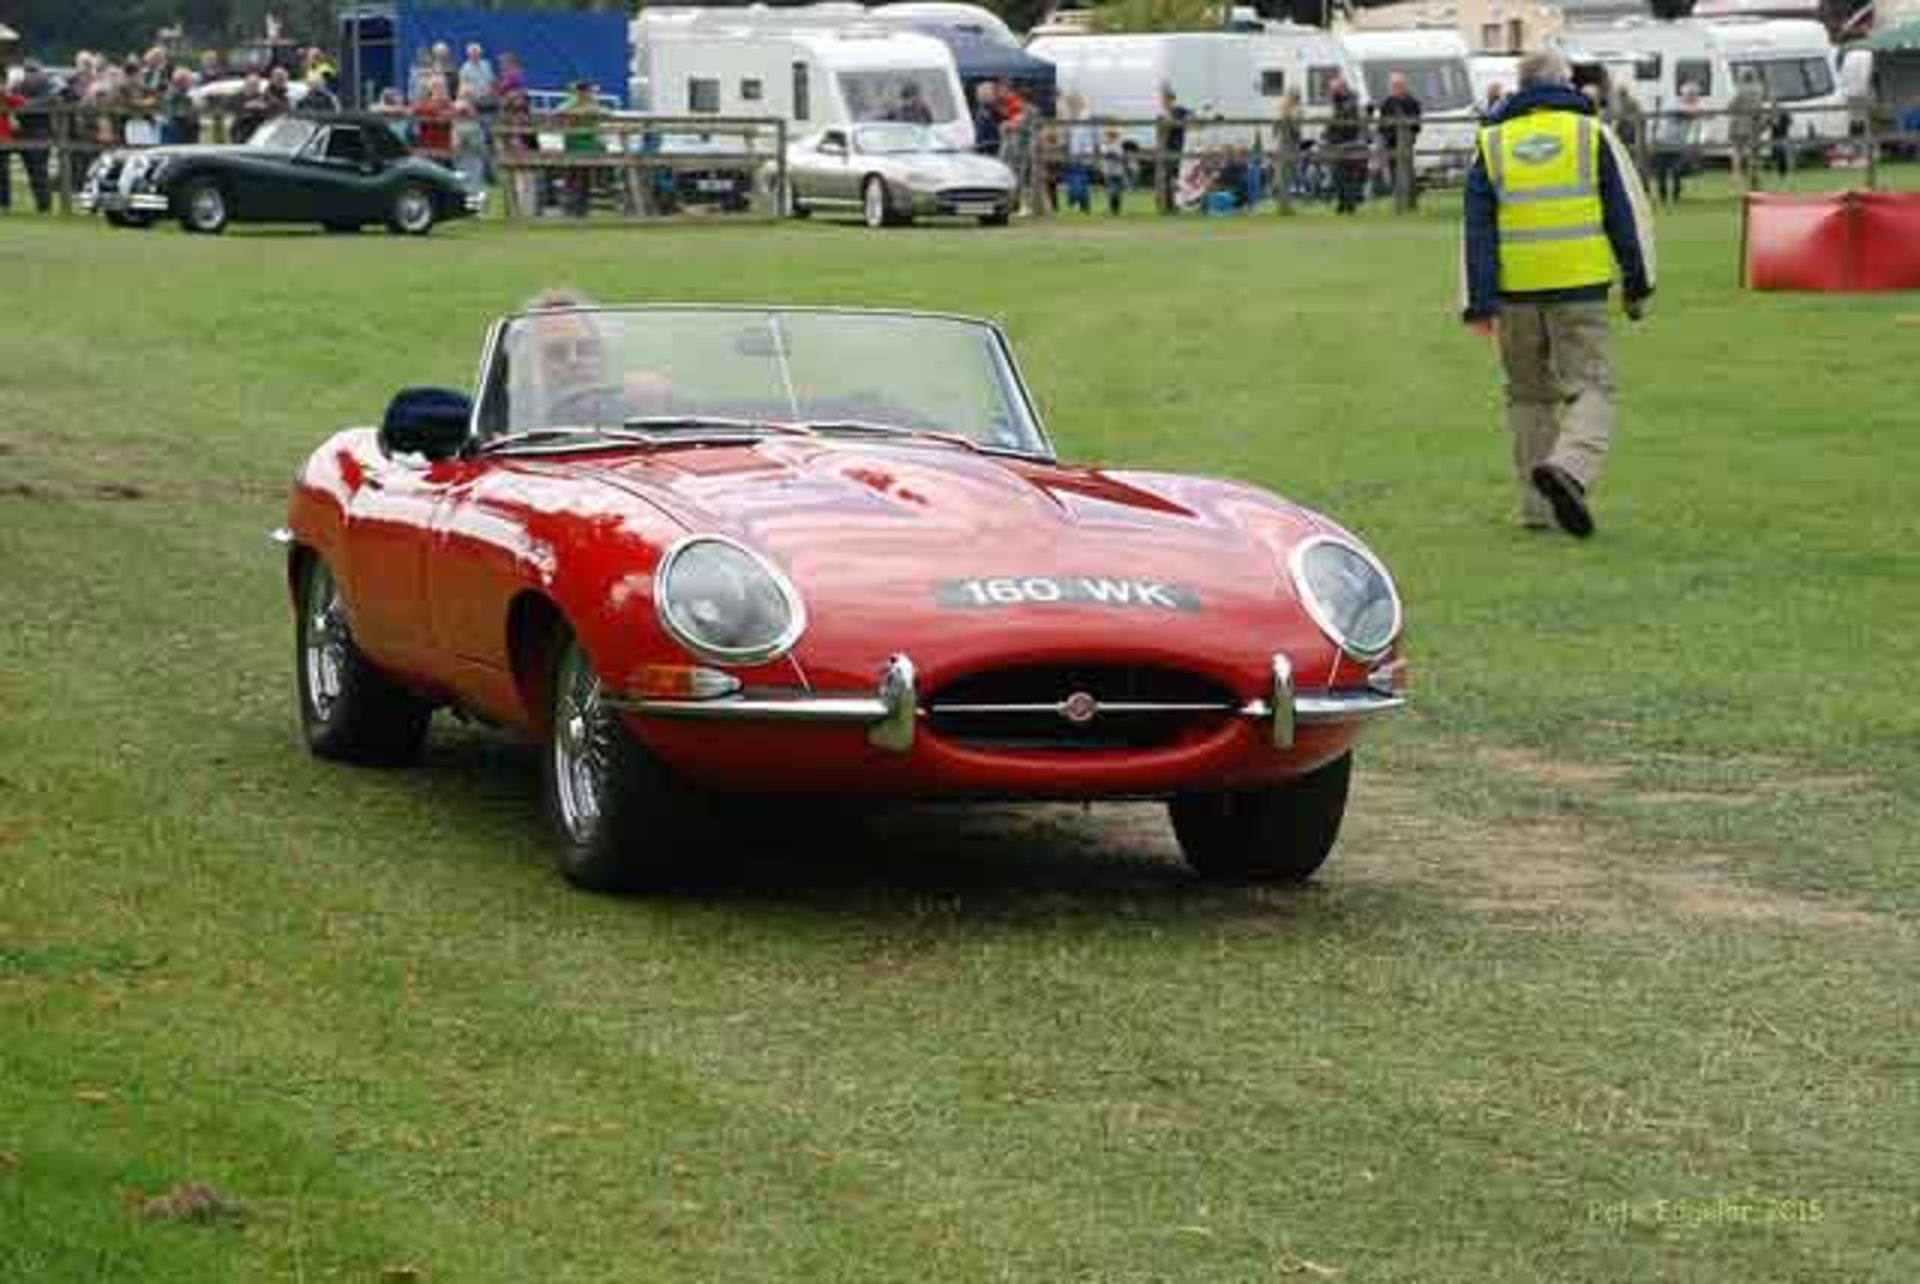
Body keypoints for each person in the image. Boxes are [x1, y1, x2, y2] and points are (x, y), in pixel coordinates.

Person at [1462, 49, 1655, 538]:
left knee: (1527, 397)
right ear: (1564, 83)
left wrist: (1480, 303)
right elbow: (1623, 215)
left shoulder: (1492, 143)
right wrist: (1636, 280)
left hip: (1515, 294)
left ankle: (1537, 509)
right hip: (1580, 286)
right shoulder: (1591, 136)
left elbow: (1477, 233)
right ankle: (1569, 469)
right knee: (1592, 387)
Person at [559, 79, 607, 218]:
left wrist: (587, 111)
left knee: (581, 175)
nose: (590, 94)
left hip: (588, 146)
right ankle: (574, 207)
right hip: (575, 145)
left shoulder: (592, 105)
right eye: (588, 91)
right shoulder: (571, 104)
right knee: (576, 175)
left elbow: (607, 113)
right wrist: (583, 111)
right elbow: (560, 112)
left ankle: (579, 207)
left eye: (590, 91)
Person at [1377, 71, 1423, 207]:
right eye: (1393, 85)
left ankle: (1410, 202)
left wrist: (1409, 132)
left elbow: (1417, 125)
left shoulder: (1412, 102)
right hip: (1390, 143)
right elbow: (1381, 124)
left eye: (1398, 85)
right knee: (1393, 172)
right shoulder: (1386, 103)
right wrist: (1385, 135)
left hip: (1406, 143)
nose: (1395, 88)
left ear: (1404, 86)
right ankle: (1398, 201)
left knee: (1408, 173)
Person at [1651, 82, 1701, 205]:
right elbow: (1672, 110)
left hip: (1678, 145)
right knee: (1661, 172)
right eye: (1690, 94)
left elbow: (1695, 114)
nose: (1692, 97)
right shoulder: (1673, 102)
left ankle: (1675, 196)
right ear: (1683, 94)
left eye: (1694, 94)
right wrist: (1687, 113)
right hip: (1662, 141)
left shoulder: (1695, 107)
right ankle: (1662, 197)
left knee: (1676, 171)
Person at [1325, 75, 1365, 215]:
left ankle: (1348, 204)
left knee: (1345, 175)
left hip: (1347, 141)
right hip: (1339, 141)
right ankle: (1343, 203)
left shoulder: (1349, 103)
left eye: (1333, 89)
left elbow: (1341, 120)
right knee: (1339, 175)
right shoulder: (1341, 101)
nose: (1331, 92)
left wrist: (1330, 131)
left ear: (1340, 88)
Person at [1154, 83, 1189, 213]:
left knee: (1173, 178)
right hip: (1163, 149)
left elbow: (1191, 117)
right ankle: (1164, 204)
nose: (1164, 101)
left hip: (1175, 148)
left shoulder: (1179, 111)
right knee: (1164, 178)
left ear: (1172, 99)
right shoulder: (1161, 114)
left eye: (1167, 99)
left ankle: (1174, 204)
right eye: (1163, 99)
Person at [1099, 126, 1128, 215]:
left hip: (1117, 171)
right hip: (1109, 170)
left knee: (1116, 191)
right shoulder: (1105, 145)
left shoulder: (1117, 145)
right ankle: (1112, 209)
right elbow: (1106, 154)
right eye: (1109, 135)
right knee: (1111, 190)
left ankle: (1116, 209)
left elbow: (1119, 155)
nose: (1110, 137)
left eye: (1112, 135)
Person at [971, 81, 1001, 156]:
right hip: (988, 152)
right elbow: (980, 140)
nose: (997, 96)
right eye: (994, 93)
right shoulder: (983, 115)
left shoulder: (990, 112)